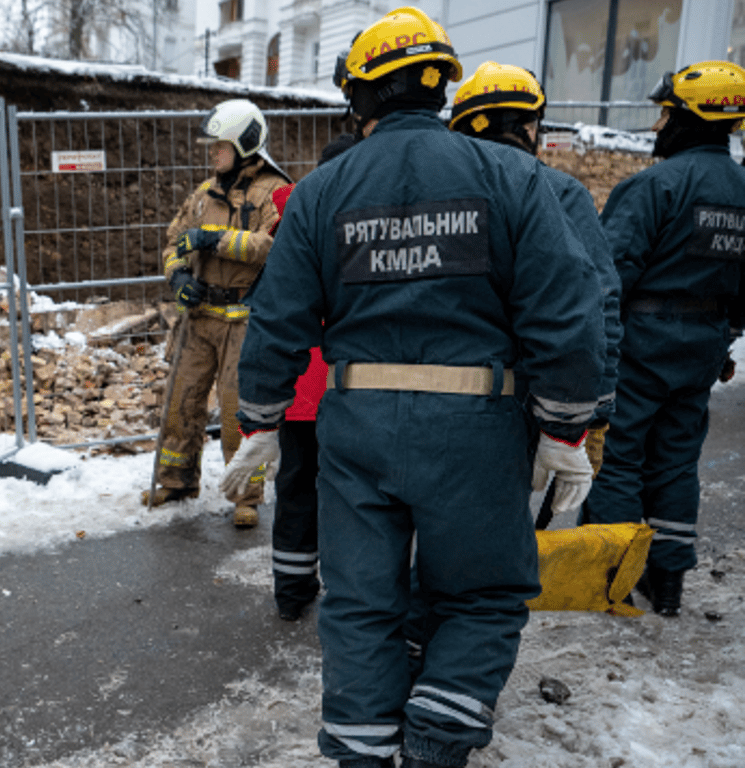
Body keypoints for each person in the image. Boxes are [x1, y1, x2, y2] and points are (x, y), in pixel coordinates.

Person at [220, 7, 605, 767]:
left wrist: (259, 419)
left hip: (357, 423)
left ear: (361, 98)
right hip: (477, 425)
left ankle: (363, 752)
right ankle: (436, 738)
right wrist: (565, 430)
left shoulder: (324, 192)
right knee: (481, 595)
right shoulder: (514, 177)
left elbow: (278, 316)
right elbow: (568, 311)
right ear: (439, 89)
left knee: (361, 605)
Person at [580, 60, 745, 617]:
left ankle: (611, 577)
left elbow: (609, 273)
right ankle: (668, 581)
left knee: (620, 458)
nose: (659, 127)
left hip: (641, 341)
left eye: (667, 114)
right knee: (677, 460)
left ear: (690, 118)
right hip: (703, 344)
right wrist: (724, 338)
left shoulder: (653, 186)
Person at [447, 61, 622, 488]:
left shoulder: (438, 194)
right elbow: (597, 308)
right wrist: (590, 417)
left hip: (433, 396)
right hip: (524, 397)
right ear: (530, 127)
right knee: (499, 531)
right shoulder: (561, 192)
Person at [143, 98, 293, 529]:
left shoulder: (277, 193)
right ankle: (175, 479)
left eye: (220, 146)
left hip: (244, 319)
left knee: (237, 410)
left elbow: (272, 247)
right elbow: (173, 243)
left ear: (246, 145)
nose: (212, 154)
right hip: (200, 317)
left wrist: (214, 239)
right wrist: (178, 280)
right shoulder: (204, 193)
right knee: (181, 401)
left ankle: (246, 495)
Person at [268, 133, 356, 622]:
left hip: (300, 387)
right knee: (351, 494)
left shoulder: (295, 218)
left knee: (297, 486)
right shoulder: (368, 220)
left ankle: (291, 588)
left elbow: (277, 309)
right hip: (349, 387)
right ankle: (352, 594)